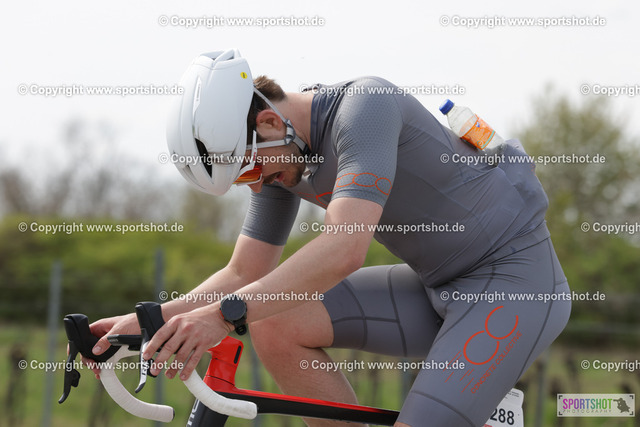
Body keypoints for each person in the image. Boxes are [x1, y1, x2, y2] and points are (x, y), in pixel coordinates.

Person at [86, 49, 571, 426]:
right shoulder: (282, 156)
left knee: (252, 311)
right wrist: (145, 322)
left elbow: (344, 248)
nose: (254, 185)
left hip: (514, 282)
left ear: (268, 122)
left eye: (249, 170)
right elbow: (243, 272)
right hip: (436, 286)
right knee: (275, 321)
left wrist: (219, 316)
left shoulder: (364, 110)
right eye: (240, 181)